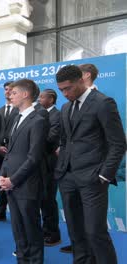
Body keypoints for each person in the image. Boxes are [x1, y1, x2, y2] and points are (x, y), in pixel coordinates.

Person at [55, 65, 126, 264]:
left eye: (68, 88)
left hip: (93, 178)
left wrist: (105, 174)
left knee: (95, 232)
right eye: (61, 90)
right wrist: (62, 169)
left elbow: (118, 143)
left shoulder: (103, 103)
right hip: (67, 177)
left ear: (81, 80)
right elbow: (65, 141)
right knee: (75, 231)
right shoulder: (66, 107)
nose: (64, 93)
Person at [0, 79, 45, 263]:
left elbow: (34, 157)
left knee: (31, 227)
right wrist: (3, 173)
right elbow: (10, 152)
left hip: (26, 184)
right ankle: (23, 259)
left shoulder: (38, 120)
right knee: (17, 227)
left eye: (14, 92)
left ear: (25, 94)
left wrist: (13, 180)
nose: (10, 95)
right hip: (11, 183)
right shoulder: (17, 118)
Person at [38, 89, 62, 246]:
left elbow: (52, 137)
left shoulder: (57, 115)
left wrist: (33, 142)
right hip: (39, 163)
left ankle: (53, 233)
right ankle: (45, 230)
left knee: (48, 199)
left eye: (42, 97)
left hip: (50, 164)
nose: (39, 99)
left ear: (51, 99)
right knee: (42, 198)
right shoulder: (39, 114)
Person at [0, 81, 19, 221]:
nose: (7, 92)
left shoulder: (20, 110)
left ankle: (16, 213)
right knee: (1, 181)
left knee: (15, 182)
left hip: (14, 153)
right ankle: (1, 211)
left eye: (10, 89)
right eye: (5, 89)